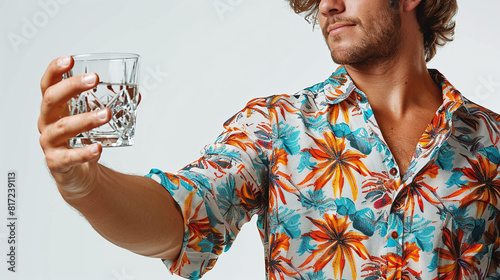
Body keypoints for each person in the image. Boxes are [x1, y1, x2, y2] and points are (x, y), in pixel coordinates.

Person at [38, 0, 500, 279]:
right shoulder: (277, 126)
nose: (328, 5)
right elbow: (180, 218)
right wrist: (87, 186)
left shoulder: (491, 143)